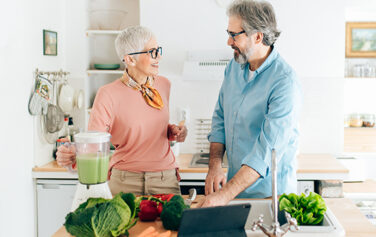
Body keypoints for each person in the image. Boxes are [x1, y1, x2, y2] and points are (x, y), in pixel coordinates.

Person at [56, 26, 187, 196]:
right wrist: (73, 155)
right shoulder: (107, 93)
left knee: (169, 223)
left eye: (158, 50)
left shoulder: (164, 85)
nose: (159, 56)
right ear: (130, 60)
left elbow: (149, 125)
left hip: (165, 179)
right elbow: (95, 140)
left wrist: (172, 131)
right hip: (124, 182)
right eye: (152, 52)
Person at [201, 0, 302, 207]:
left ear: (258, 36)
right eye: (228, 33)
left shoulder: (284, 83)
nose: (229, 42)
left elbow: (265, 153)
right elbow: (220, 118)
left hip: (271, 197)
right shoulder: (234, 67)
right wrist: (215, 165)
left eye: (234, 35)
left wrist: (223, 195)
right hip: (235, 191)